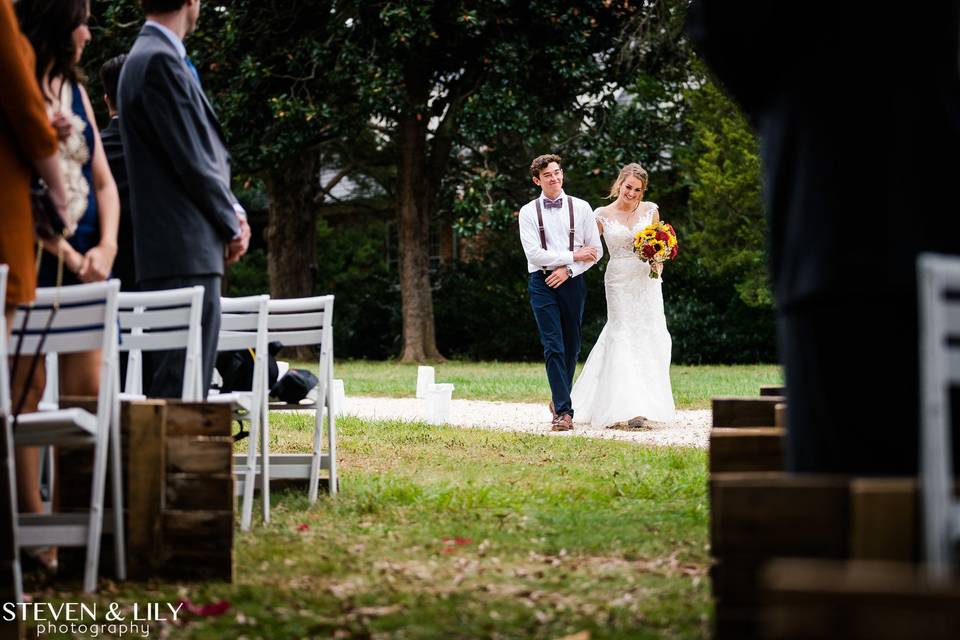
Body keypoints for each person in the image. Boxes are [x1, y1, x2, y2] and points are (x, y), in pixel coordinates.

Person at [686, 2, 960, 474]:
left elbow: (719, 23)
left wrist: (792, 106)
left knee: (841, 483)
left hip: (828, 210)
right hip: (846, 220)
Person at [14, 0, 120, 571]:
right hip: (37, 258)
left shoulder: (78, 92)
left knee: (87, 390)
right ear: (59, 24)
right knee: (24, 396)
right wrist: (69, 254)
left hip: (88, 266)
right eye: (81, 20)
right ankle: (34, 532)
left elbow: (103, 181)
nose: (88, 31)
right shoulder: (19, 82)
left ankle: (85, 524)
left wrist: (104, 248)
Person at [118, 0, 251, 399]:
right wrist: (231, 221)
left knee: (185, 386)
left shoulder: (147, 57)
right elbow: (192, 159)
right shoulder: (158, 60)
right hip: (181, 251)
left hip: (176, 251)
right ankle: (171, 464)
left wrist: (234, 210)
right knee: (180, 390)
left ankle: (176, 462)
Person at [571, 163, 676, 428]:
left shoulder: (651, 210)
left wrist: (659, 261)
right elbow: (590, 249)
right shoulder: (601, 215)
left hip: (647, 280)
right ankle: (624, 407)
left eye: (638, 190)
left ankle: (646, 403)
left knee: (651, 334)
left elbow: (659, 245)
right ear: (619, 184)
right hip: (618, 279)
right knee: (621, 334)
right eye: (628, 187)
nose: (632, 193)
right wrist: (569, 266)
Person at [519, 154, 603, 431]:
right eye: (547, 175)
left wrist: (568, 268)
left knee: (572, 345)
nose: (554, 178)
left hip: (572, 281)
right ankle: (564, 413)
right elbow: (534, 253)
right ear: (537, 180)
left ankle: (559, 398)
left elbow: (596, 251)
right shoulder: (529, 212)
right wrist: (573, 255)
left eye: (557, 173)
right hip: (541, 282)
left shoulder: (581, 207)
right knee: (553, 344)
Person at [98, 54, 135, 291]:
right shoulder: (163, 151)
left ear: (106, 100)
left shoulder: (92, 151)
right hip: (159, 288)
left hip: (103, 281)